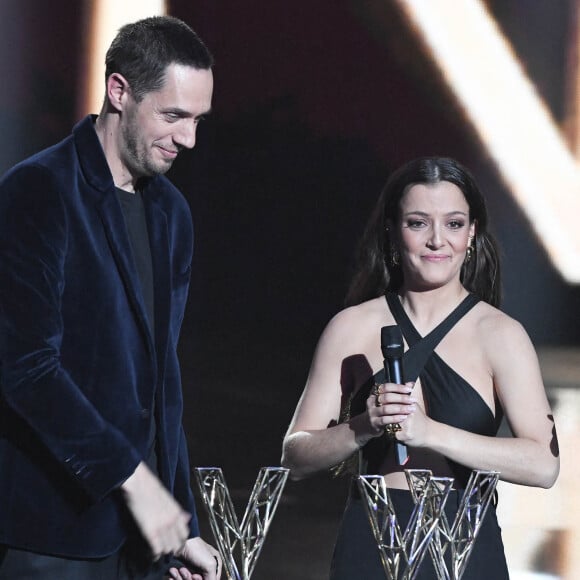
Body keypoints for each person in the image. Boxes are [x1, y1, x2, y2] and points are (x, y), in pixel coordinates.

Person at [0, 16, 222, 580]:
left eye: (198, 120)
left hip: (144, 542)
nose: (189, 139)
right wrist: (136, 483)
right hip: (55, 535)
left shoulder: (173, 213)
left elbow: (162, 381)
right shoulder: (38, 191)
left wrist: (180, 527)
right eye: (173, 116)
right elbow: (25, 369)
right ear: (118, 91)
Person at [281, 157, 560, 578]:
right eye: (417, 223)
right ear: (393, 232)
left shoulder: (500, 334)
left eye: (452, 223)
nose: (436, 240)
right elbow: (295, 456)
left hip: (464, 539)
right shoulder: (351, 327)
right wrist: (365, 424)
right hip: (373, 535)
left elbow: (544, 465)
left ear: (472, 233)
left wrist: (432, 433)